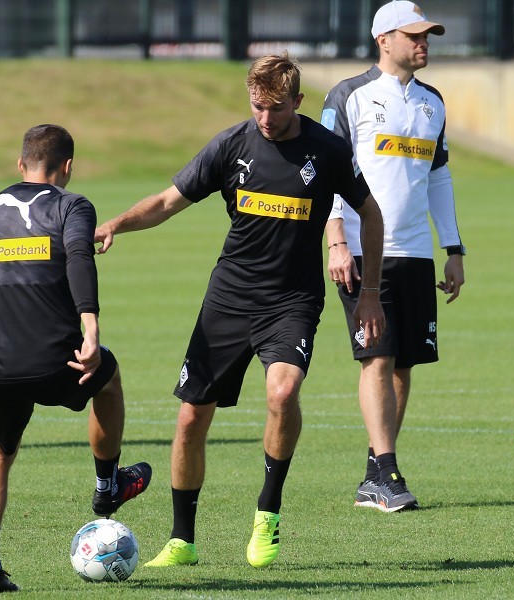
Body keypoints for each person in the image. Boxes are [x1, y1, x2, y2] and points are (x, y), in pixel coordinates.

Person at [94, 54, 385, 569]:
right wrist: (116, 223)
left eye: (275, 108)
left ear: (297, 100)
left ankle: (267, 515)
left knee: (283, 391)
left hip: (292, 301)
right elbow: (166, 202)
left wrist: (370, 292)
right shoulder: (232, 145)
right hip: (228, 299)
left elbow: (370, 212)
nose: (265, 118)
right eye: (257, 107)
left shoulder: (328, 150)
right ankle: (183, 540)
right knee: (189, 420)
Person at [0, 124, 152, 593]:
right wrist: (91, 328)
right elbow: (78, 260)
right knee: (108, 379)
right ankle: (108, 483)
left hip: (0, 364)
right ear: (67, 167)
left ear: (20, 165)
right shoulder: (73, 205)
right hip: (60, 360)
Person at [321, 1, 465, 512]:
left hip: (416, 254)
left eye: (428, 36)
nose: (424, 43)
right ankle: (387, 472)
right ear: (384, 39)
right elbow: (331, 172)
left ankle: (375, 471)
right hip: (362, 253)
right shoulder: (349, 95)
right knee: (377, 358)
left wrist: (452, 247)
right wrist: (336, 240)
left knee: (403, 365)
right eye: (414, 35)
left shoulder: (433, 102)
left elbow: (439, 177)